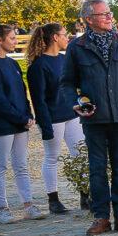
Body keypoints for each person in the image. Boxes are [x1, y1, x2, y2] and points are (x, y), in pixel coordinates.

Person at [60, 0, 118, 236]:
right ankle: (100, 217)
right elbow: (66, 84)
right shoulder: (77, 47)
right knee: (96, 168)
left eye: (110, 13)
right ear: (89, 19)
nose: (109, 17)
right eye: (104, 14)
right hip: (94, 118)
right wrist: (76, 103)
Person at [0, 25, 48, 223]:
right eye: (11, 38)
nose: (15, 41)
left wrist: (28, 114)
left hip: (20, 123)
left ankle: (28, 205)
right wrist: (20, 118)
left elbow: (21, 92)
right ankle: (2, 209)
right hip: (1, 124)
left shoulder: (13, 64)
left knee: (21, 165)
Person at [27, 22, 85, 214]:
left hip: (71, 114)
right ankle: (53, 199)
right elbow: (39, 99)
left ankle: (85, 195)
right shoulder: (39, 65)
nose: (67, 37)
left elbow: (73, 86)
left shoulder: (64, 59)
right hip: (53, 118)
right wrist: (45, 125)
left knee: (80, 154)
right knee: (52, 157)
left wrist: (81, 106)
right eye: (63, 34)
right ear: (54, 37)